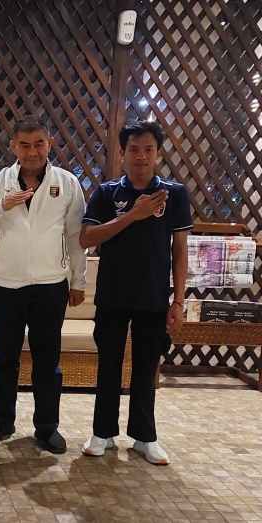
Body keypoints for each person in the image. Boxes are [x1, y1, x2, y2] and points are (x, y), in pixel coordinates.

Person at [0, 117, 86, 454]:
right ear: (13, 146)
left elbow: (76, 236)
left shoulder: (67, 183)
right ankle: (2, 420)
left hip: (51, 284)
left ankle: (47, 427)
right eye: (25, 145)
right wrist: (1, 205)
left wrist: (78, 280)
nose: (32, 152)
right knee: (5, 357)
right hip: (6, 284)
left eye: (39, 144)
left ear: (49, 144)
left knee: (48, 360)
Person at [80, 120, 192, 465]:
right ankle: (102, 433)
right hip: (112, 294)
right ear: (122, 153)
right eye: (133, 149)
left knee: (146, 368)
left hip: (153, 296)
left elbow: (180, 251)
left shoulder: (174, 194)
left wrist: (178, 301)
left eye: (148, 149)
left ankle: (145, 437)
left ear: (158, 153)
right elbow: (87, 238)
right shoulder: (106, 193)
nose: (141, 156)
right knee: (108, 366)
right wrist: (133, 214)